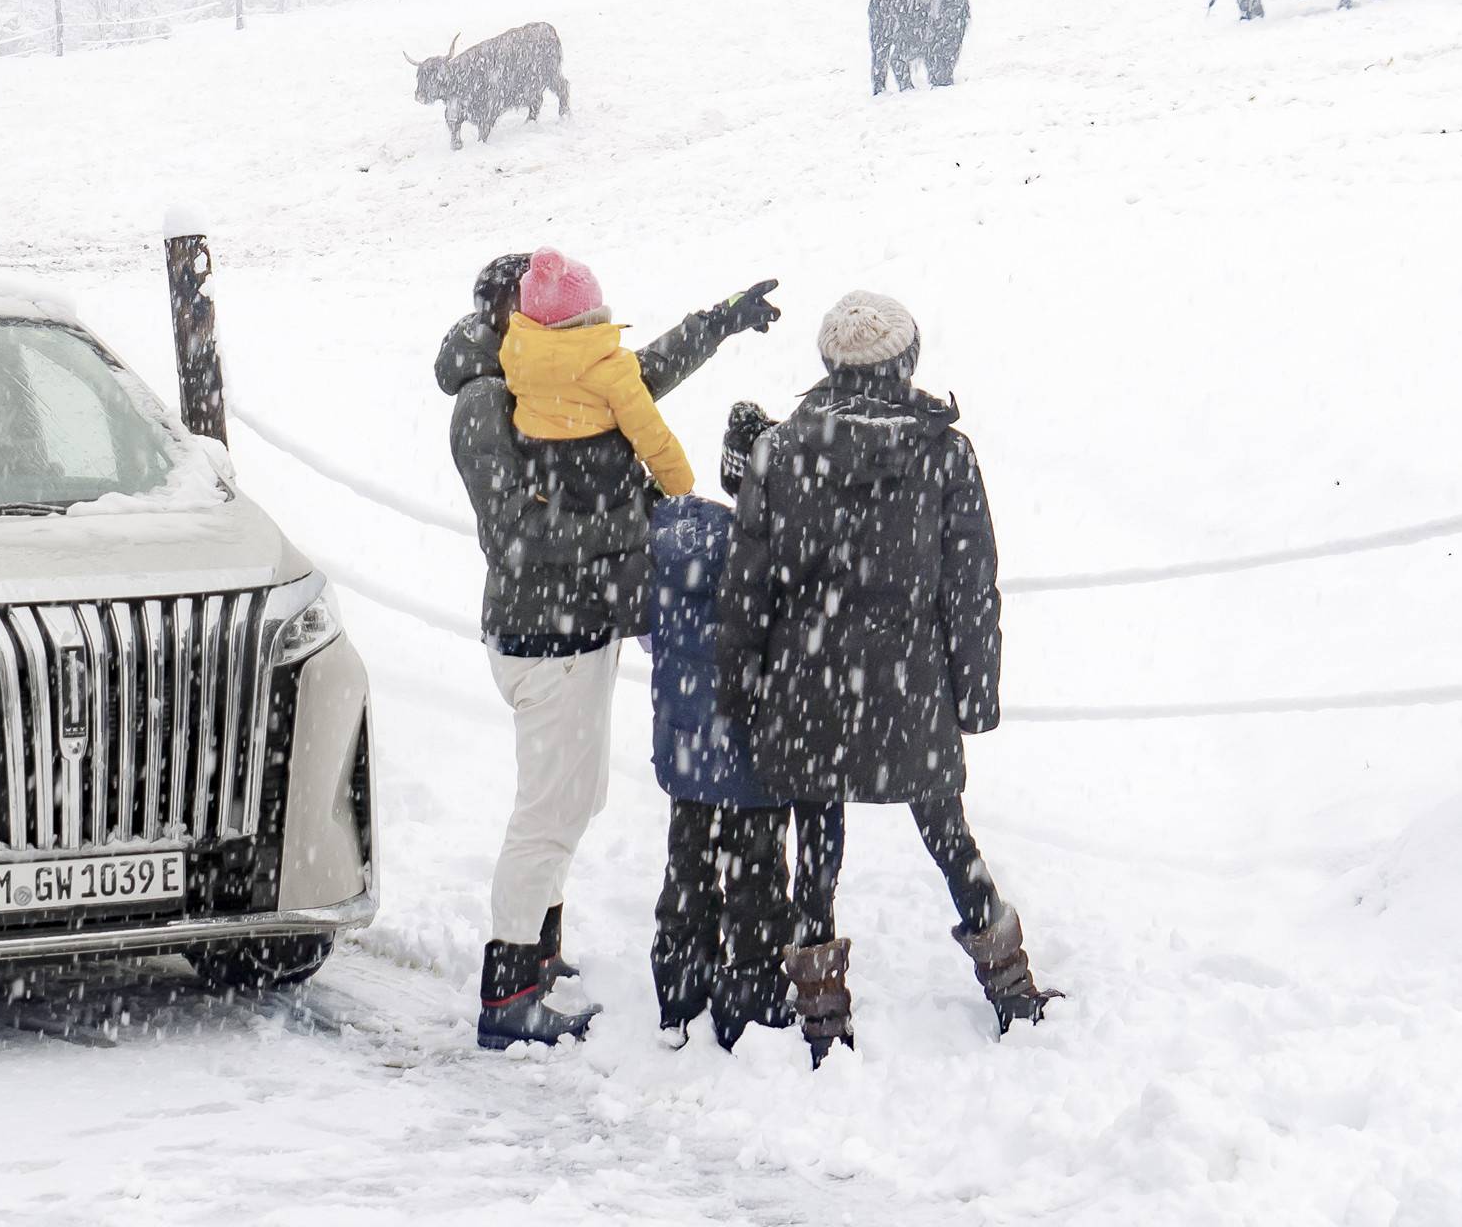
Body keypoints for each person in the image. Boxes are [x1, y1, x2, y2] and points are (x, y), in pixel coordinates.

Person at [436, 254, 782, 1050]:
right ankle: (509, 991)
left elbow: (641, 372)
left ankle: (539, 953)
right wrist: (635, 530)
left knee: (575, 801)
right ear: (506, 317)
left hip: (577, 630)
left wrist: (722, 318)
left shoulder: (549, 375)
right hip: (541, 634)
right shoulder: (488, 403)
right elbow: (518, 538)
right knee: (546, 816)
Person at [719, 289, 1059, 1060]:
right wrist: (973, 697)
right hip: (911, 687)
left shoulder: (779, 451)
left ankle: (822, 1015)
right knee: (948, 834)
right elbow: (970, 588)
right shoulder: (944, 452)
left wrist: (739, 691)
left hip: (808, 687)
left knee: (816, 849)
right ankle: (1011, 986)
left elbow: (748, 589)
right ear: (906, 362)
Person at [644, 401, 841, 1051]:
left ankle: (678, 994)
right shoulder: (783, 563)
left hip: (689, 756)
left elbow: (655, 642)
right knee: (757, 882)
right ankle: (747, 1002)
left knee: (688, 873)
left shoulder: (674, 545)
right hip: (757, 763)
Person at [498, 247, 698, 500]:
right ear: (591, 318)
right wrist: (681, 487)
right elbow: (651, 437)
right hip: (612, 498)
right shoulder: (612, 369)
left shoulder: (517, 361)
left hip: (548, 498)